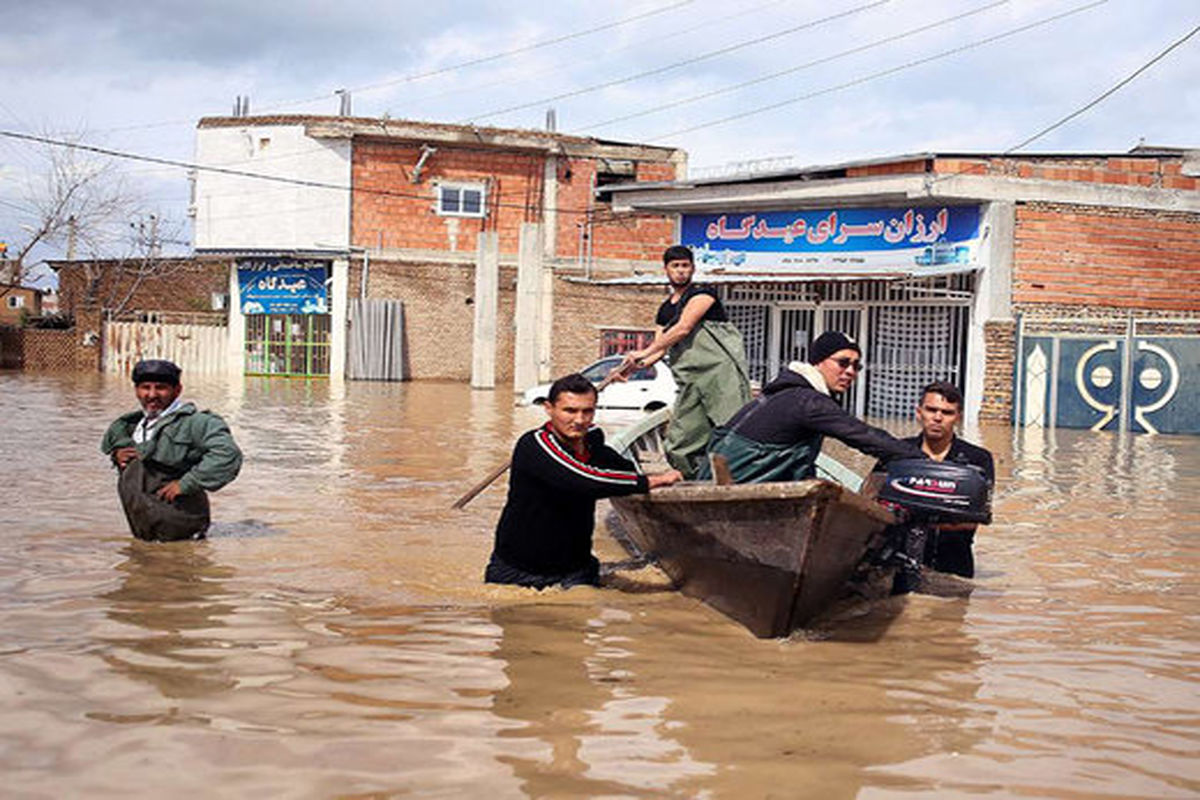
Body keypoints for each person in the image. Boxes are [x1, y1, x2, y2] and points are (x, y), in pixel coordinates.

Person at [485, 373, 682, 590]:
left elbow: (622, 468)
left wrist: (649, 477)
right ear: (549, 409)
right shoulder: (534, 445)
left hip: (576, 571)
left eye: (587, 411)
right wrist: (648, 481)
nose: (579, 420)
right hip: (519, 573)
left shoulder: (592, 444)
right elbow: (584, 480)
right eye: (570, 411)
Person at [701, 331, 921, 483]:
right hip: (735, 492)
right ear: (818, 361)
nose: (850, 371)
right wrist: (922, 461)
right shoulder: (808, 401)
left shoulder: (786, 391)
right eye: (843, 362)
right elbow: (863, 435)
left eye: (857, 366)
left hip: (716, 483)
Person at [610, 245, 751, 479]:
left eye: (685, 266)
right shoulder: (665, 310)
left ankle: (741, 480)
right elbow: (659, 349)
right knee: (680, 442)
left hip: (719, 376)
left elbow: (683, 328)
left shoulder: (703, 294)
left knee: (733, 431)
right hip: (691, 380)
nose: (681, 271)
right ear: (666, 269)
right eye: (675, 266)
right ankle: (696, 481)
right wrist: (632, 367)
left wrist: (644, 351)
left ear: (693, 268)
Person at [100, 359, 243, 541]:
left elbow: (227, 455)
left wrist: (185, 484)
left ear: (177, 391)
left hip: (182, 532)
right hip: (143, 531)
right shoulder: (130, 426)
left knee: (181, 565)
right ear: (136, 390)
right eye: (145, 387)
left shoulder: (197, 422)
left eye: (161, 388)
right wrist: (117, 455)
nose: (152, 394)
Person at [873, 381, 994, 579]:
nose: (937, 418)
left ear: (958, 417)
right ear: (919, 412)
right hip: (897, 564)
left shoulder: (978, 459)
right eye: (931, 410)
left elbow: (977, 518)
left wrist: (914, 519)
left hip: (955, 566)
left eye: (947, 412)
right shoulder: (897, 454)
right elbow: (873, 501)